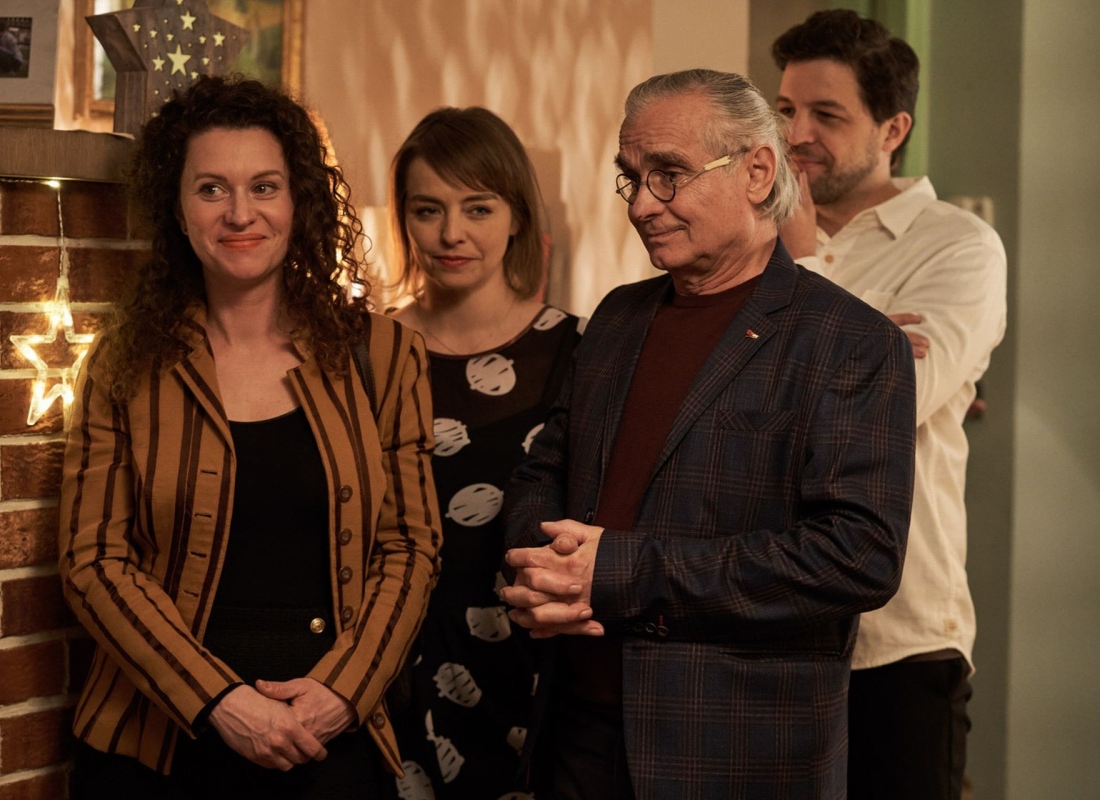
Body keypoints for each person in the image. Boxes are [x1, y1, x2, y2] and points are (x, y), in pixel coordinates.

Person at [502, 68, 918, 799]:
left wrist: (621, 572)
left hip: (733, 752)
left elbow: (858, 557)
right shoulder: (617, 317)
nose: (642, 205)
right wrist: (540, 568)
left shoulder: (850, 340)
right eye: (632, 179)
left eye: (670, 175)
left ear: (757, 171)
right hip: (576, 735)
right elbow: (546, 467)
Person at [58, 75, 440, 799]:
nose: (240, 213)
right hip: (156, 747)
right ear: (177, 208)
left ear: (299, 202)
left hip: (326, 739)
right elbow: (94, 560)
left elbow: (410, 546)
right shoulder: (123, 361)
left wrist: (343, 692)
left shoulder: (384, 354)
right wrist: (220, 701)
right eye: (211, 189)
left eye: (265, 187)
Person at [772, 10, 1007, 799]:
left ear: (893, 128)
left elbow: (887, 407)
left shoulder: (957, 246)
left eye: (826, 114)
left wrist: (800, 270)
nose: (796, 134)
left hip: (898, 638)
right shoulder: (741, 241)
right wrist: (863, 342)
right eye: (785, 109)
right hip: (757, 627)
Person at [385, 106, 584, 799]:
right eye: (428, 209)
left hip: (533, 671)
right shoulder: (365, 352)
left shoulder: (580, 350)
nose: (452, 233)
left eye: (478, 208)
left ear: (517, 215)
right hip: (393, 666)